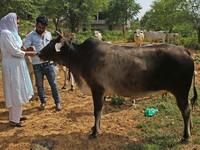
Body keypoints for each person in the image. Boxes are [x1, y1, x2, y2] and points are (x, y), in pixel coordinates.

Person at [0, 13, 37, 127]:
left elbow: (19, 48)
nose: (18, 25)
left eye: (18, 23)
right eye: (16, 23)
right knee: (14, 91)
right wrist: (30, 53)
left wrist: (27, 49)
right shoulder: (6, 34)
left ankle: (18, 115)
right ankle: (14, 120)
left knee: (19, 89)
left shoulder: (13, 34)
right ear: (10, 22)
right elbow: (14, 51)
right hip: (12, 66)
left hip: (17, 65)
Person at [24, 15, 62, 111]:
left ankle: (57, 103)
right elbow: (25, 49)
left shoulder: (48, 34)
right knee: (39, 86)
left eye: (43, 28)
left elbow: (52, 48)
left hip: (48, 63)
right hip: (37, 65)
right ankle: (43, 102)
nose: (41, 29)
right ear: (36, 24)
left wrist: (55, 59)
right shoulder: (30, 36)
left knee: (53, 84)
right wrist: (30, 49)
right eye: (39, 27)